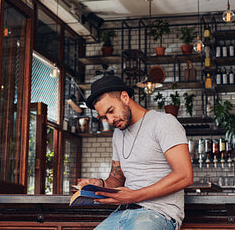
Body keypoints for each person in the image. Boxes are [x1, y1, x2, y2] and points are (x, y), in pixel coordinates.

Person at [80, 75, 193, 230]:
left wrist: (133, 195)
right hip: (121, 213)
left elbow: (185, 175)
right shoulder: (118, 134)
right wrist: (100, 184)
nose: (110, 120)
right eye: (105, 116)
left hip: (158, 214)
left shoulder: (163, 122)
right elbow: (116, 179)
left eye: (111, 111)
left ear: (125, 97)